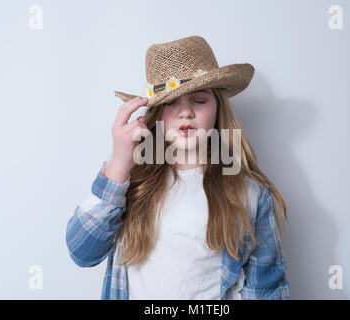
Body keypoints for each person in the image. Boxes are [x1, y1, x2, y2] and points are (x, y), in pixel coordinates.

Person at [65, 35, 291, 300]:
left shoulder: (249, 194)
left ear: (218, 108)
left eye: (199, 100)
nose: (186, 112)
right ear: (155, 112)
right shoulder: (129, 182)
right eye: (171, 102)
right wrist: (118, 165)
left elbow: (266, 290)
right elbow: (82, 252)